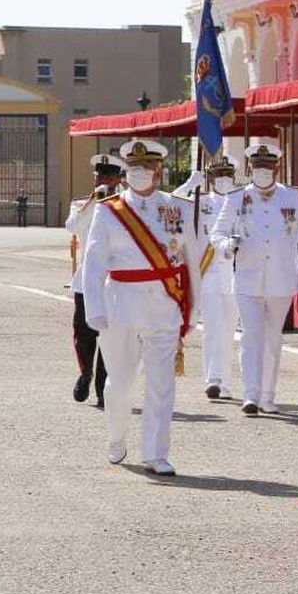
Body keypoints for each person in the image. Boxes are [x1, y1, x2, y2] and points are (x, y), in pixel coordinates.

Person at [79, 139, 202, 476]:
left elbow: (191, 263)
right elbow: (92, 264)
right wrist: (95, 310)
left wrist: (192, 311)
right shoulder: (109, 210)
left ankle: (155, 453)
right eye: (133, 169)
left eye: (145, 168)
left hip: (164, 305)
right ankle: (116, 436)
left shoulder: (180, 208)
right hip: (119, 305)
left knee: (162, 383)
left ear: (159, 172)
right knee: (119, 382)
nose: (139, 174)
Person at [211, 140, 298, 415]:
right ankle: (251, 394)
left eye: (267, 166)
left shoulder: (293, 197)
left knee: (272, 338)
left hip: (282, 280)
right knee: (251, 336)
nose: (262, 170)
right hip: (247, 279)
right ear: (249, 167)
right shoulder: (236, 197)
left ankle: (268, 394)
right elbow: (217, 234)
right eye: (258, 165)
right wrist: (227, 246)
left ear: (277, 167)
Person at [176, 155, 240, 400]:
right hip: (209, 272)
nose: (222, 178)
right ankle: (212, 378)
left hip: (235, 273)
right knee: (212, 328)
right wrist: (190, 184)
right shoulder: (199, 202)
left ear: (233, 176)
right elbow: (170, 205)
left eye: (227, 174)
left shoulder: (241, 201)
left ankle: (224, 381)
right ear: (210, 177)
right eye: (218, 174)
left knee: (229, 330)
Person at [65, 153, 121, 406]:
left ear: (119, 178)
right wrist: (95, 202)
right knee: (84, 333)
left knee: (110, 336)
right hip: (86, 279)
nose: (105, 180)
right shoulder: (82, 204)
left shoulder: (126, 204)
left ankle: (102, 388)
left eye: (110, 176)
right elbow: (73, 227)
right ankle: (85, 372)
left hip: (115, 279)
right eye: (101, 176)